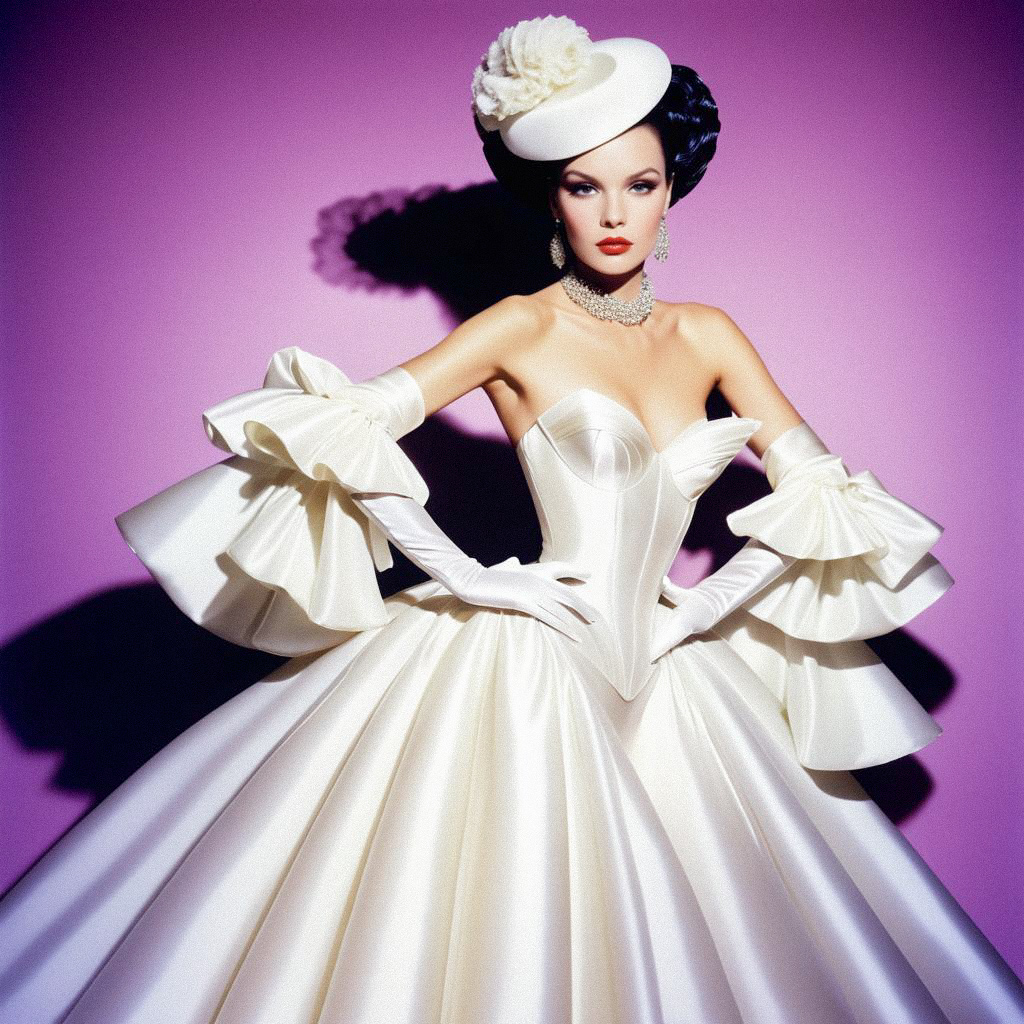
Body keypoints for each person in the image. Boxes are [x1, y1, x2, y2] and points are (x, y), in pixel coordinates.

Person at [1, 14, 1021, 1024]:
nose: (614, 212)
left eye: (640, 183)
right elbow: (343, 430)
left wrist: (697, 610)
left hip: (674, 673)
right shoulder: (520, 325)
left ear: (673, 193)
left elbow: (820, 496)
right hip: (532, 661)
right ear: (551, 197)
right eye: (584, 185)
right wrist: (472, 577)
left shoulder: (710, 334)